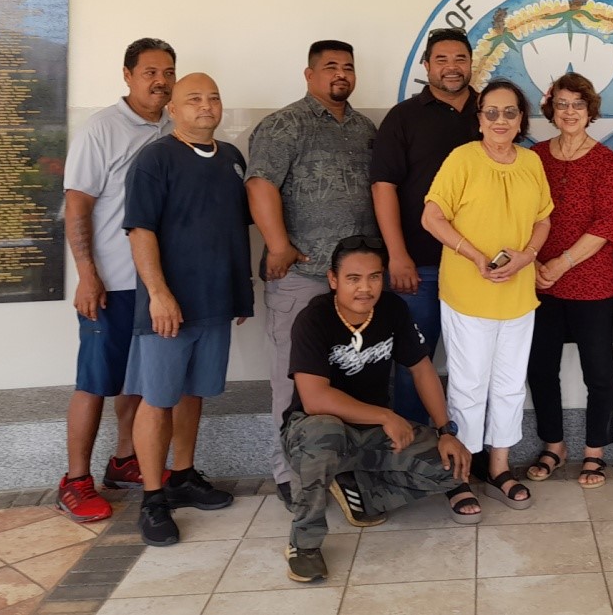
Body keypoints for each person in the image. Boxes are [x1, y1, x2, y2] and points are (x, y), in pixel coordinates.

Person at [281, 234, 476, 584]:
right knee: (325, 432)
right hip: (312, 431)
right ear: (333, 280)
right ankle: (304, 544)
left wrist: (446, 431)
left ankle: (360, 492)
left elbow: (421, 368)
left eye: (374, 277)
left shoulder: (391, 309)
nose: (365, 288)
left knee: (453, 469)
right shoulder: (314, 319)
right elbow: (314, 399)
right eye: (353, 279)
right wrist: (386, 415)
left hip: (370, 432)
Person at [123, 72, 254, 546]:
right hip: (168, 308)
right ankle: (153, 498)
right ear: (173, 109)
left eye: (214, 97)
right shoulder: (155, 159)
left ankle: (182, 476)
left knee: (193, 393)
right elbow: (140, 231)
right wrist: (158, 293)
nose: (206, 106)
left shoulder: (232, 160)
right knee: (158, 398)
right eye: (193, 99)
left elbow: (234, 230)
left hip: (215, 304)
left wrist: (241, 293)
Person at [246, 39, 378, 508]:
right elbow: (260, 185)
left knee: (348, 379)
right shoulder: (285, 124)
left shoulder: (364, 128)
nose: (339, 74)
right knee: (293, 378)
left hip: (356, 286)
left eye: (347, 67)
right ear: (309, 74)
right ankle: (289, 473)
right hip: (303, 278)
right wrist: (279, 246)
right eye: (329, 67)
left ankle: (342, 470)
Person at [56, 38, 176, 522]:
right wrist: (87, 276)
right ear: (127, 75)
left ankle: (126, 460)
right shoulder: (101, 129)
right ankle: (75, 480)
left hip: (156, 284)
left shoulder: (174, 126)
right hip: (112, 283)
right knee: (95, 381)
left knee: (138, 381)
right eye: (149, 71)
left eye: (168, 71)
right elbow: (77, 205)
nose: (160, 80)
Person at [421, 79, 552, 509]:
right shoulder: (463, 159)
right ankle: (460, 474)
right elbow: (432, 216)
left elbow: (543, 220)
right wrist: (475, 256)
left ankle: (498, 467)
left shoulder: (532, 163)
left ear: (521, 119)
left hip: (517, 295)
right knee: (469, 385)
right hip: (468, 295)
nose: (500, 120)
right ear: (479, 119)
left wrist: (527, 256)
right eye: (491, 112)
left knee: (511, 386)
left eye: (509, 112)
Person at [371, 28, 481, 423]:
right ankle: (415, 460)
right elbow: (384, 187)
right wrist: (398, 256)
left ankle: (472, 453)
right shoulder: (403, 118)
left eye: (460, 59)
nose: (452, 68)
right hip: (420, 267)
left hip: (479, 267)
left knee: (474, 368)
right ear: (426, 66)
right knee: (412, 366)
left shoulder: (493, 113)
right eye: (442, 60)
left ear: (471, 63)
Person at [525, 73, 613, 488]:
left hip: (591, 281)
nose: (569, 112)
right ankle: (554, 445)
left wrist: (561, 263)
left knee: (598, 372)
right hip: (539, 281)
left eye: (577, 105)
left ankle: (595, 453)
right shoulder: (535, 157)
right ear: (551, 109)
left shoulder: (605, 159)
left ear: (590, 110)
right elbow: (522, 216)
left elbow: (608, 222)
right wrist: (532, 265)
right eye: (561, 104)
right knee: (540, 369)